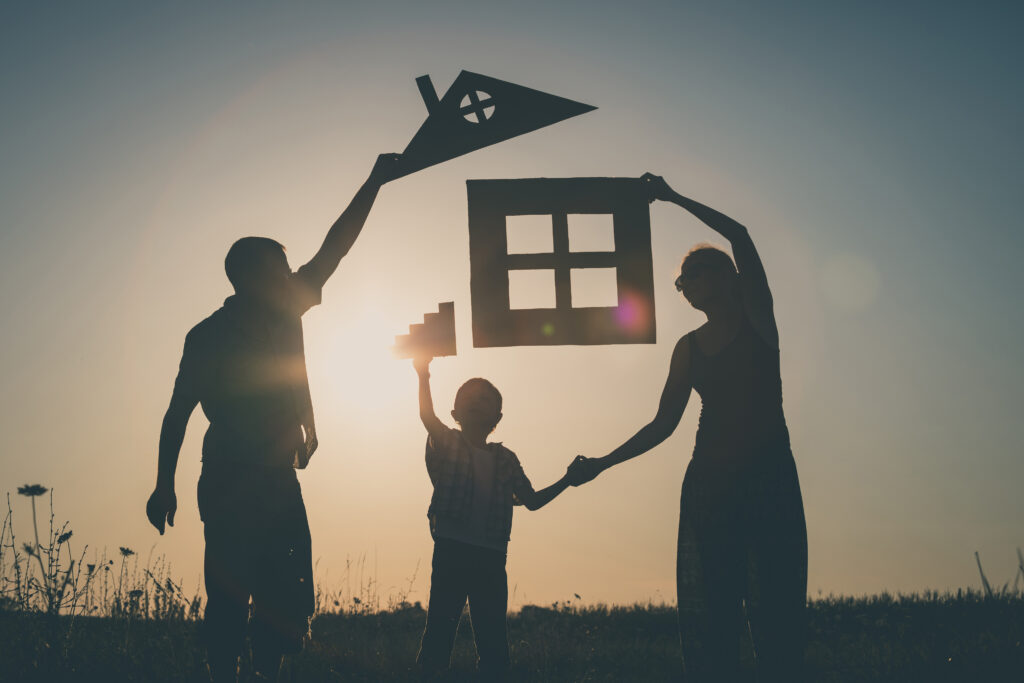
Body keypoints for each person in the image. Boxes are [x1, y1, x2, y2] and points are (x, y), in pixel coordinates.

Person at [145, 153, 401, 683]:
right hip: (232, 474)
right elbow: (177, 414)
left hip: (272, 473)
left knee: (280, 587)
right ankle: (228, 673)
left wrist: (374, 182)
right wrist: (162, 486)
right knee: (233, 590)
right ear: (252, 277)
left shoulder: (278, 311)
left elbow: (336, 247)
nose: (291, 275)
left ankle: (258, 673)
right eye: (281, 269)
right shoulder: (208, 335)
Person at [569, 173, 808, 682]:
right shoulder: (688, 348)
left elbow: (741, 235)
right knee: (712, 612)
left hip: (769, 479)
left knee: (777, 608)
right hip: (709, 487)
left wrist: (673, 197)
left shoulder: (758, 320)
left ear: (725, 276)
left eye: (695, 273)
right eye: (682, 281)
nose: (686, 286)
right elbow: (662, 425)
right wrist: (601, 464)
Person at [412, 355, 574, 679]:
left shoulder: (506, 459)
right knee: (440, 632)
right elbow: (427, 416)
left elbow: (532, 500)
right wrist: (423, 373)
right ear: (455, 412)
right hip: (451, 550)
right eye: (469, 398)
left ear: (496, 418)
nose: (476, 402)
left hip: (491, 558)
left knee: (493, 641)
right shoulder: (448, 443)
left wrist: (567, 479)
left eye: (485, 401)